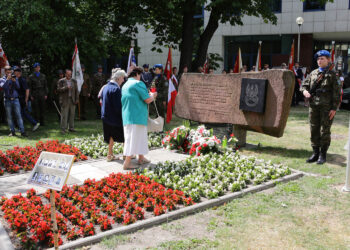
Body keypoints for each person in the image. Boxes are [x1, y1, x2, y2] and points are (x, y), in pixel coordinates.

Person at [301, 50, 341, 164]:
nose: (319, 60)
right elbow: (303, 86)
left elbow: (337, 93)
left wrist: (334, 108)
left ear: (328, 60)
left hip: (326, 108)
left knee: (325, 131)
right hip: (314, 106)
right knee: (314, 129)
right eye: (318, 59)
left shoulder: (333, 74)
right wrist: (305, 92)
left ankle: (323, 155)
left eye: (322, 58)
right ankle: (315, 153)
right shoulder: (313, 73)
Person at [121, 66, 157, 170]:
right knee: (133, 140)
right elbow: (147, 100)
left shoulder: (125, 84)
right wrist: (153, 95)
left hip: (128, 116)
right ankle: (127, 163)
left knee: (137, 138)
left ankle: (141, 158)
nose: (140, 77)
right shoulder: (138, 83)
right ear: (137, 74)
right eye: (140, 75)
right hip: (137, 116)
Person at [101, 69, 127, 161]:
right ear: (119, 78)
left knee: (110, 135)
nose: (123, 80)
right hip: (115, 117)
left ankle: (109, 154)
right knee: (125, 135)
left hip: (106, 116)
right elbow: (118, 106)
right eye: (123, 78)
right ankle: (126, 155)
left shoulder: (106, 87)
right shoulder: (116, 89)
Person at [0, 66, 27, 136]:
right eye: (7, 72)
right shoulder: (2, 79)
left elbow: (18, 87)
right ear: (5, 72)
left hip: (15, 99)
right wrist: (8, 80)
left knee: (19, 116)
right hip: (7, 100)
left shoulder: (14, 77)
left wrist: (14, 81)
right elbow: (3, 87)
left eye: (10, 72)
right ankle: (12, 131)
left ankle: (22, 131)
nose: (9, 73)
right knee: (9, 117)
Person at [13, 66, 40, 131]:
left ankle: (34, 123)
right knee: (21, 113)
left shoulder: (22, 80)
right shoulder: (17, 79)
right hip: (19, 99)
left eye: (15, 72)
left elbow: (27, 90)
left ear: (18, 72)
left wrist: (26, 99)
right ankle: (21, 127)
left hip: (22, 99)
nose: (14, 73)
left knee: (23, 113)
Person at [57, 69, 79, 134]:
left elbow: (76, 91)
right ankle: (63, 129)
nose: (69, 75)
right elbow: (58, 90)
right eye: (68, 74)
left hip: (72, 100)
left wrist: (77, 99)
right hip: (64, 100)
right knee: (64, 115)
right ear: (65, 74)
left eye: (70, 74)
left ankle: (71, 128)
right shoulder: (61, 81)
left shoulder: (74, 81)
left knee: (72, 114)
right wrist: (66, 87)